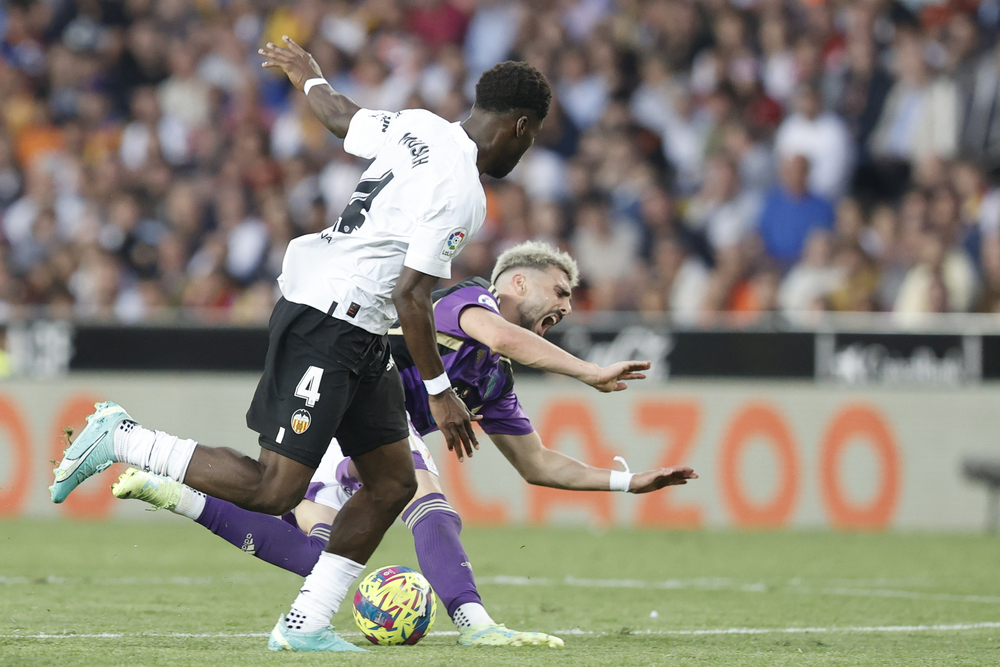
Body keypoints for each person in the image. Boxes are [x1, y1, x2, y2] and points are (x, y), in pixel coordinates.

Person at [49, 38, 557, 652]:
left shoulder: (419, 126)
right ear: (520, 125)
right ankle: (123, 438)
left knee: (393, 483)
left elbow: (343, 116)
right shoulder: (464, 193)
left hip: (356, 325)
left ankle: (306, 626)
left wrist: (309, 76)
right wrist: (441, 392)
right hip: (330, 319)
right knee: (276, 489)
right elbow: (412, 296)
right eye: (530, 139)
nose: (525, 151)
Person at [110, 241, 697, 647]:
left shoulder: (493, 379)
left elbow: (538, 464)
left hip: (365, 438)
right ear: (518, 282)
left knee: (323, 558)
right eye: (560, 290)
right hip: (358, 400)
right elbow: (501, 336)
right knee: (423, 493)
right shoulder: (469, 300)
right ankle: (474, 622)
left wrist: (628, 482)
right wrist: (589, 371)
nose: (567, 305)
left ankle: (175, 496)